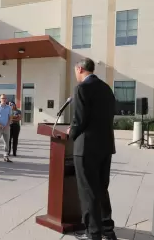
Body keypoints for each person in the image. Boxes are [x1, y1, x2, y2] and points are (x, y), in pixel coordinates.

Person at [68, 58, 117, 240]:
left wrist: (70, 132)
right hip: (105, 147)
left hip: (86, 148)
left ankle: (93, 233)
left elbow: (79, 120)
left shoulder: (82, 88)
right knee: (102, 189)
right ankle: (108, 229)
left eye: (75, 71)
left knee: (88, 191)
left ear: (79, 68)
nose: (75, 75)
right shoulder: (107, 89)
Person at [0, 94, 13, 163]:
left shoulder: (9, 108)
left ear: (6, 99)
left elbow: (10, 117)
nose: (3, 99)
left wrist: (7, 125)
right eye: (2, 98)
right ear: (0, 99)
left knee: (6, 142)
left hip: (6, 127)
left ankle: (6, 156)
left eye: (5, 98)